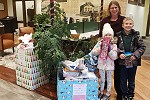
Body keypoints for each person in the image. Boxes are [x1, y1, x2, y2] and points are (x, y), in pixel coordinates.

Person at [99, 1, 125, 99]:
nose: (114, 9)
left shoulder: (123, 19)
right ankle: (103, 88)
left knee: (118, 72)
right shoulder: (105, 20)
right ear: (109, 9)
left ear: (118, 8)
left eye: (115, 7)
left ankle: (119, 91)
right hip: (106, 49)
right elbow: (100, 34)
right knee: (104, 69)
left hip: (118, 49)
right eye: (112, 8)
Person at [117, 17, 146, 100]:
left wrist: (135, 55)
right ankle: (124, 94)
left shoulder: (136, 35)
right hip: (123, 61)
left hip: (133, 62)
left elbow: (142, 47)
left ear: (133, 25)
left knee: (131, 79)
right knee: (123, 79)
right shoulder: (118, 35)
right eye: (126, 23)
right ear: (123, 25)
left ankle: (130, 94)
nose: (128, 25)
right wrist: (120, 53)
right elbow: (114, 47)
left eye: (130, 24)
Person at [92, 23, 118, 100]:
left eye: (110, 35)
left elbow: (114, 57)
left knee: (109, 79)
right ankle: (101, 91)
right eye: (106, 35)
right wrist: (100, 48)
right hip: (101, 64)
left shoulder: (113, 45)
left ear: (112, 36)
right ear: (103, 35)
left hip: (109, 65)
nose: (108, 36)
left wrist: (109, 50)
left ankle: (108, 93)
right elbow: (93, 52)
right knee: (102, 79)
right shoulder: (99, 43)